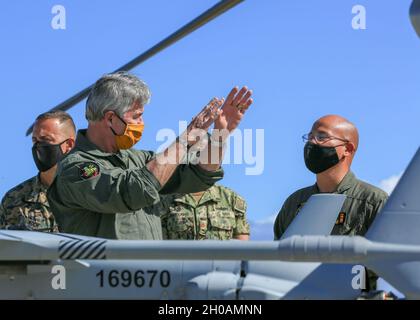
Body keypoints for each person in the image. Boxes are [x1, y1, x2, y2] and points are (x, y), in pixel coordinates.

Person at [47, 71, 254, 240]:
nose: (141, 123)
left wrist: (221, 133)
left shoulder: (138, 159)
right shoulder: (77, 168)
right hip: (105, 287)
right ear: (110, 118)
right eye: (136, 116)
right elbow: (133, 191)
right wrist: (183, 141)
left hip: (149, 283)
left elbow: (199, 176)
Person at [274, 115, 388, 240]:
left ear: (348, 149)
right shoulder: (294, 202)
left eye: (321, 137)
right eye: (310, 137)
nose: (312, 142)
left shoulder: (372, 202)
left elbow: (390, 254)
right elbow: (278, 255)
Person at [0, 111, 76, 232]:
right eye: (35, 140)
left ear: (69, 145)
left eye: (46, 139)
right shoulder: (13, 199)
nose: (38, 146)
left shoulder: (88, 193)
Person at [154, 184, 250, 240]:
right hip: (179, 270)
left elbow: (242, 249)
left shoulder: (230, 199)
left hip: (219, 270)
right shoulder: (163, 200)